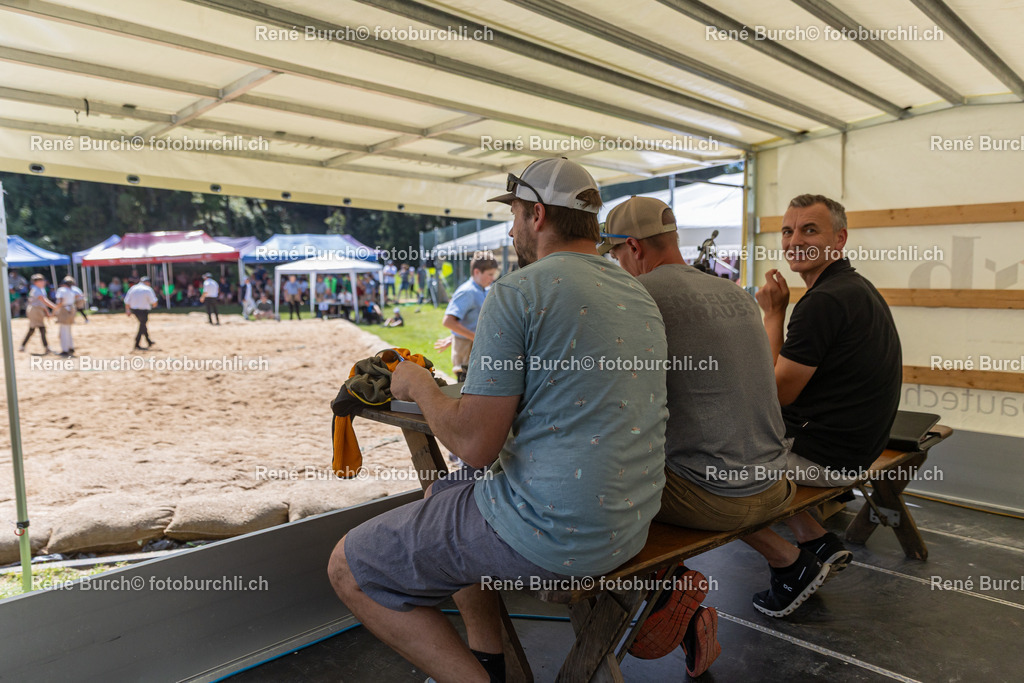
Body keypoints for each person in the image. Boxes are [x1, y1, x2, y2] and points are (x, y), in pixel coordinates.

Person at [328, 157, 670, 683]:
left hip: (557, 532)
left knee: (348, 566)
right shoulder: (637, 294)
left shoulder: (518, 291)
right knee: (442, 494)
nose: (510, 229)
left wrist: (416, 383)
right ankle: (488, 653)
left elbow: (475, 443)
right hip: (630, 523)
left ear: (536, 214)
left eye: (512, 214)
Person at [598, 197, 795, 673]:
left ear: (633, 247)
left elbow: (613, 401)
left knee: (590, 485)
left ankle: (665, 595)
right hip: (777, 484)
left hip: (717, 497)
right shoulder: (735, 294)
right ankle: (783, 557)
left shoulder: (640, 298)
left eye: (616, 256)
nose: (617, 265)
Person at [741, 194, 902, 618]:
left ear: (839, 239)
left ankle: (789, 566)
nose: (795, 240)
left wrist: (773, 314)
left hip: (830, 459)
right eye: (788, 231)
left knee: (708, 469)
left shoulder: (823, 302)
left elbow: (773, 395)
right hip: (857, 449)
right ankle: (816, 539)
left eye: (809, 229)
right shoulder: (854, 288)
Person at [440, 251, 499, 382]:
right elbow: (448, 321)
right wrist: (475, 337)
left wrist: (453, 337)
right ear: (477, 272)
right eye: (489, 274)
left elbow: (472, 321)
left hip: (477, 354)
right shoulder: (467, 292)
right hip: (466, 357)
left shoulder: (483, 289)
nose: (492, 278)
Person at [19, 274, 57, 353]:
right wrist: (54, 307)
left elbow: (42, 303)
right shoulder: (36, 290)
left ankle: (23, 346)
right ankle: (46, 347)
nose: (43, 282)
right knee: (40, 328)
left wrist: (47, 312)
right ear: (36, 282)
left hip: (38, 310)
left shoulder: (41, 289)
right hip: (35, 310)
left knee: (33, 329)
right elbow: (43, 300)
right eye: (41, 281)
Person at [124, 276, 158, 350]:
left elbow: (127, 301)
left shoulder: (133, 288)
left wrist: (128, 310)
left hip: (134, 310)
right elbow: (154, 302)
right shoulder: (148, 289)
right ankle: (137, 343)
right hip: (143, 310)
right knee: (142, 325)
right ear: (147, 282)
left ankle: (148, 341)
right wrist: (153, 306)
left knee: (143, 324)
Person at [52, 276, 79, 356]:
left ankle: (65, 349)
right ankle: (70, 347)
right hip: (71, 309)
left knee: (63, 330)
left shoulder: (62, 290)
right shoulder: (72, 290)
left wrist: (54, 310)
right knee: (68, 329)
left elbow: (60, 302)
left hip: (64, 310)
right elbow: (79, 296)